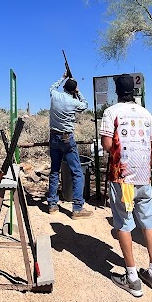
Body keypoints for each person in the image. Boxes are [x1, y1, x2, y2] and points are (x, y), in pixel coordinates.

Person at [100, 74, 152, 297]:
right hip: (144, 177)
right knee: (148, 223)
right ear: (134, 91)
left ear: (117, 90)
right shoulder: (145, 113)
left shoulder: (111, 112)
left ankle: (132, 277)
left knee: (123, 224)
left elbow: (107, 144)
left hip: (122, 177)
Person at [47, 74, 93, 219]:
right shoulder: (74, 102)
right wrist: (78, 92)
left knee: (55, 170)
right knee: (77, 172)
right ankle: (77, 208)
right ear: (73, 91)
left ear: (64, 87)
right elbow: (85, 105)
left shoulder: (55, 95)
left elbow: (52, 87)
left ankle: (52, 204)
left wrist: (62, 77)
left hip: (54, 137)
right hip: (67, 138)